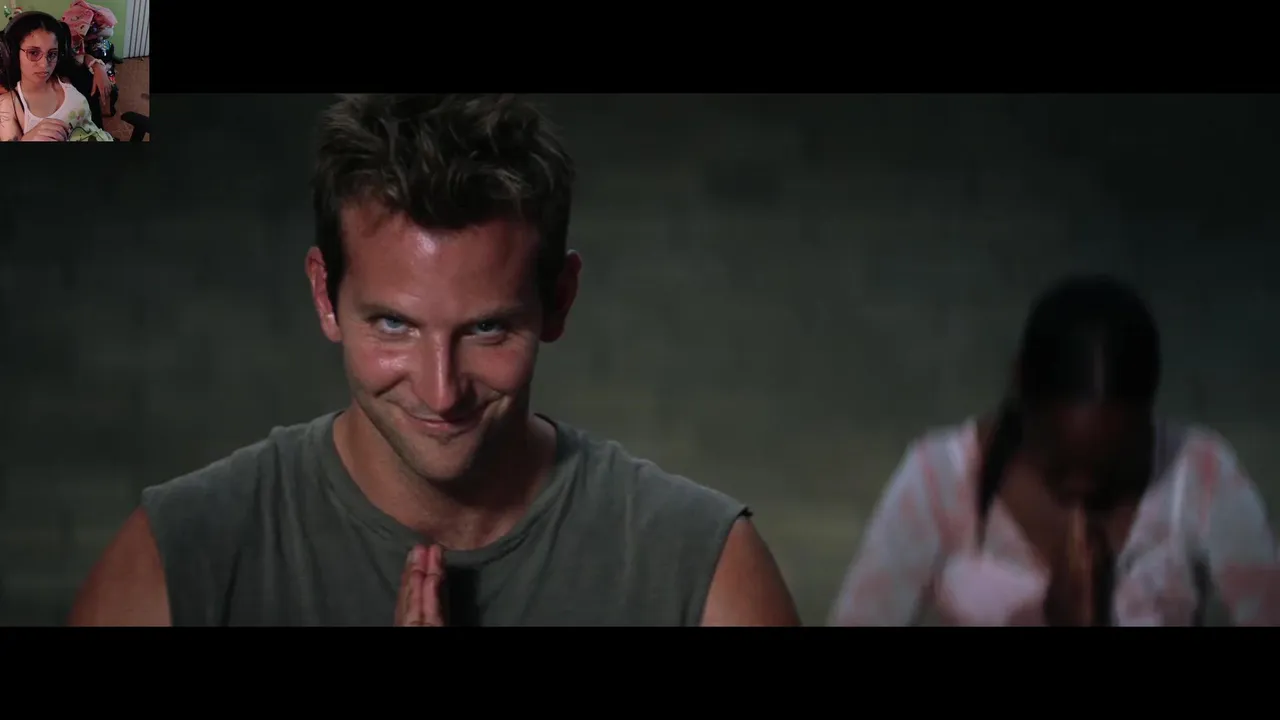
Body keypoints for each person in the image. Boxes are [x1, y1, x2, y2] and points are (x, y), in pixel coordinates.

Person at [67, 94, 800, 627]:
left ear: (560, 300)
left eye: (487, 329)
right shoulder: (174, 563)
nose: (441, 391)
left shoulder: (705, 573)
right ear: (325, 296)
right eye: (393, 325)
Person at [829, 275, 1277, 626]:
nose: (1082, 489)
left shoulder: (1198, 474)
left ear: (1148, 418)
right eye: (1058, 463)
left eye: (1111, 468)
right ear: (1022, 392)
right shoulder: (938, 481)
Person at [0, 11, 112, 142]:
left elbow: (80, 57)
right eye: (34, 53)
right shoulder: (8, 106)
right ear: (11, 54)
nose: (44, 64)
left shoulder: (64, 76)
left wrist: (98, 67)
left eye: (52, 53)